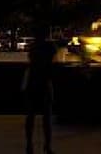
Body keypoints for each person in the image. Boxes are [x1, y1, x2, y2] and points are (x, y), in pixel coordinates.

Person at [24, 25, 57, 154]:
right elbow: (52, 63)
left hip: (32, 83)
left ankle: (29, 145)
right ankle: (47, 146)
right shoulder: (50, 47)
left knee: (30, 117)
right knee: (47, 118)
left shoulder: (32, 47)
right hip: (45, 83)